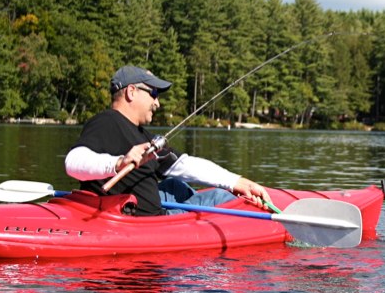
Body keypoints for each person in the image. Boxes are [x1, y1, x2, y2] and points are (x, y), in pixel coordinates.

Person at [65, 65, 271, 216]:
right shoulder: (107, 121)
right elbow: (73, 161)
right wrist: (119, 163)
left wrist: (236, 182)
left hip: (143, 205)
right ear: (131, 92)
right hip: (142, 221)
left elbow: (183, 164)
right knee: (220, 197)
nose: (157, 103)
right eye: (153, 93)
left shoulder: (142, 135)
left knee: (174, 185)